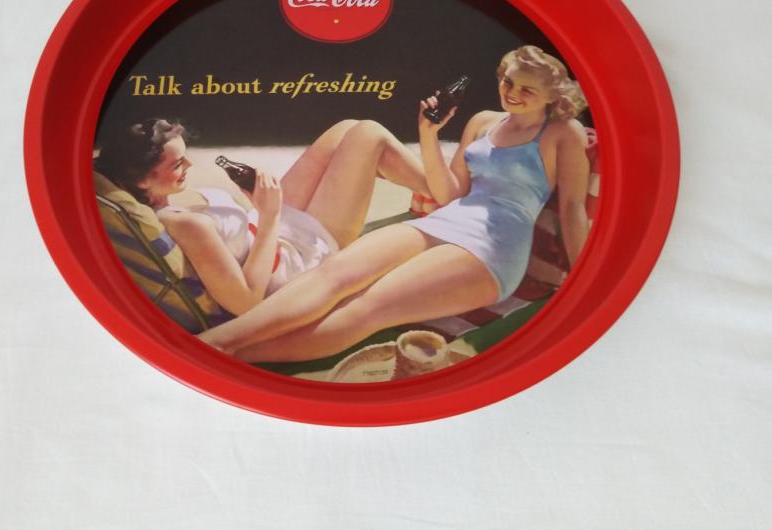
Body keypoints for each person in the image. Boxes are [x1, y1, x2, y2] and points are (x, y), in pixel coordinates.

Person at [199, 45, 591, 363]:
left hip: (495, 247)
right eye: (508, 81)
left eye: (527, 90)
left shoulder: (564, 133)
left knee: (366, 307)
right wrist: (429, 133)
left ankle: (236, 356)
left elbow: (573, 209)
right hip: (448, 219)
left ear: (551, 97)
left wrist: (583, 277)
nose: (512, 93)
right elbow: (450, 193)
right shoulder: (483, 122)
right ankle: (215, 342)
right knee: (334, 275)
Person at [95, 118, 431, 318]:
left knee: (345, 130)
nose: (191, 166)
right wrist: (268, 216)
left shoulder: (172, 203)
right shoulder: (185, 224)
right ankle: (447, 193)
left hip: (275, 230)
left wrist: (259, 207)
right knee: (367, 135)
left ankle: (431, 191)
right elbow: (246, 303)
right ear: (141, 180)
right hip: (298, 259)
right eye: (177, 164)